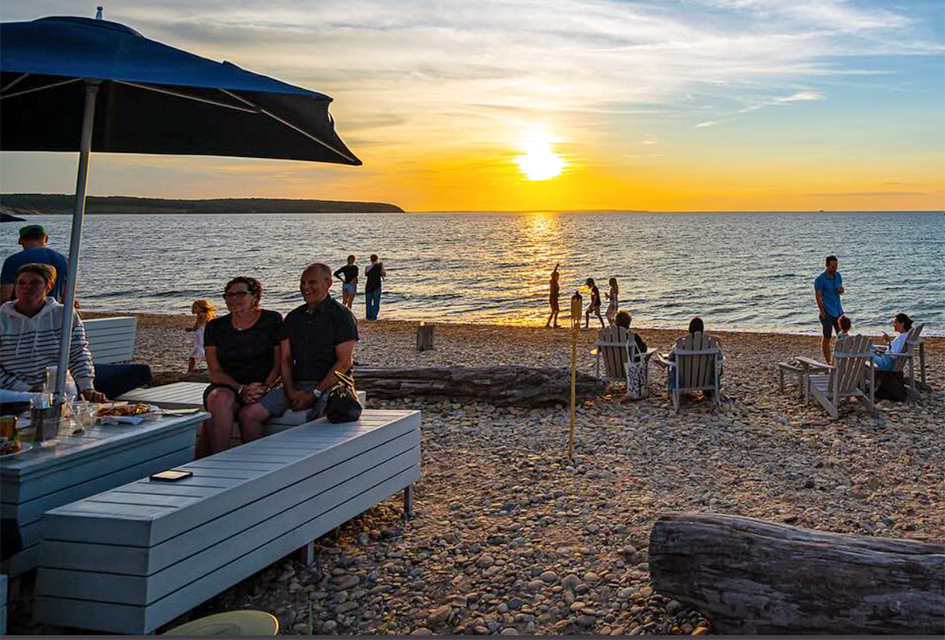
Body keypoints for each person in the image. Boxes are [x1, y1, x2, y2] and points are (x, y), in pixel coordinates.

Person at [242, 264, 358, 429]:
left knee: (325, 421)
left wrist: (314, 394)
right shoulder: (294, 317)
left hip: (332, 385)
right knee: (248, 415)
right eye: (303, 282)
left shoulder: (341, 316)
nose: (305, 287)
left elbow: (344, 362)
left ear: (328, 283)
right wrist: (289, 391)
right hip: (298, 384)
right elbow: (286, 358)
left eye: (312, 282)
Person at [0, 264, 104, 402]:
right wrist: (27, 389)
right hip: (13, 391)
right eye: (21, 283)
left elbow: (78, 352)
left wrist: (87, 387)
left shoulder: (65, 315)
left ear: (48, 287)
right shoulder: (2, 318)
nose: (27, 287)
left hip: (57, 387)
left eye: (35, 283)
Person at [202, 277, 283, 454]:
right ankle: (219, 458)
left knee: (249, 414)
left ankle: (253, 462)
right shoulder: (215, 327)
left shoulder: (272, 320)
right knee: (219, 398)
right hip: (229, 386)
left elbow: (280, 363)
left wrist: (264, 388)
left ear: (255, 297)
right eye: (229, 295)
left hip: (265, 385)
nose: (233, 299)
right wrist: (240, 388)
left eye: (240, 294)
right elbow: (215, 371)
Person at [0, 225, 70, 303]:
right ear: (46, 239)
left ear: (20, 241)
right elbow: (69, 295)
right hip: (55, 309)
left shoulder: (13, 260)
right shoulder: (64, 260)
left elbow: (5, 297)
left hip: (24, 309)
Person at [666, 317, 723, 394]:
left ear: (689, 329)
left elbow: (670, 357)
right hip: (705, 380)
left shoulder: (681, 344)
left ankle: (675, 391)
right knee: (711, 365)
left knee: (675, 366)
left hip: (683, 381)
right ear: (702, 329)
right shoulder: (711, 344)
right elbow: (720, 357)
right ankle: (709, 391)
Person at [814, 255, 844, 364]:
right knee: (827, 337)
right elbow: (818, 297)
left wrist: (841, 290)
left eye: (836, 266)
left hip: (838, 311)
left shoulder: (838, 276)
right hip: (827, 311)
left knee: (842, 336)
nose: (834, 269)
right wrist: (822, 311)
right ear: (827, 265)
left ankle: (841, 359)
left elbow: (841, 290)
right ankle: (828, 361)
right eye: (832, 267)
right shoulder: (820, 280)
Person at [187, 299, 216, 373]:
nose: (193, 309)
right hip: (200, 337)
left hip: (201, 337)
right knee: (193, 355)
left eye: (195, 308)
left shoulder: (201, 315)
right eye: (193, 307)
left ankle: (190, 370)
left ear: (202, 308)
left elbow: (196, 327)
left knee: (201, 353)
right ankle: (190, 370)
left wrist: (191, 329)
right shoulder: (204, 315)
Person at [364, 254, 386, 321]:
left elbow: (365, 274)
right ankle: (374, 317)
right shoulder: (379, 267)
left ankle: (368, 317)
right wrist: (382, 266)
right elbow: (384, 274)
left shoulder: (367, 267)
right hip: (377, 286)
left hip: (368, 286)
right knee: (376, 302)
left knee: (368, 303)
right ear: (377, 259)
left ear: (370, 260)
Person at [545, 263, 560, 328]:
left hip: (555, 298)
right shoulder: (552, 281)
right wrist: (556, 267)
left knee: (556, 311)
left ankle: (553, 323)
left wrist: (557, 294)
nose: (558, 278)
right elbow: (553, 273)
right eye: (557, 276)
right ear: (555, 276)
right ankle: (550, 324)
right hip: (553, 298)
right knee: (554, 311)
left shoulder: (555, 282)